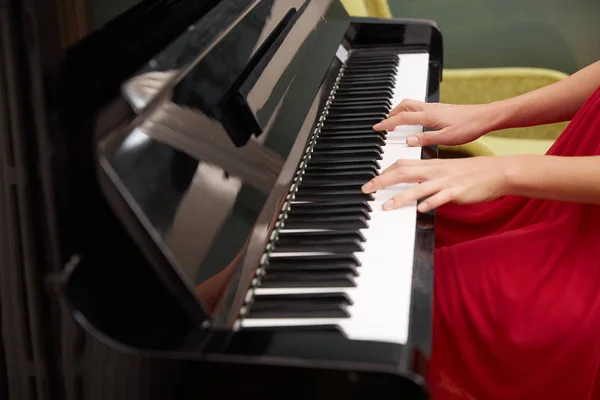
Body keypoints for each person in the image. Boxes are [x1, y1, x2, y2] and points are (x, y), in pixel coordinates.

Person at [362, 61, 600, 399]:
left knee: (397, 298)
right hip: (562, 199)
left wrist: (503, 172)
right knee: (400, 208)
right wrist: (487, 115)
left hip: (585, 262)